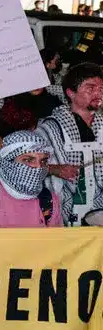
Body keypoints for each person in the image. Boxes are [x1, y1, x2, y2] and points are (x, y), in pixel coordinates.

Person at [38, 62, 103, 226]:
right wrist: (54, 169)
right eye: (90, 88)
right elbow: (24, 166)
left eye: (101, 88)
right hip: (64, 210)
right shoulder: (50, 127)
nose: (98, 93)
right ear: (70, 93)